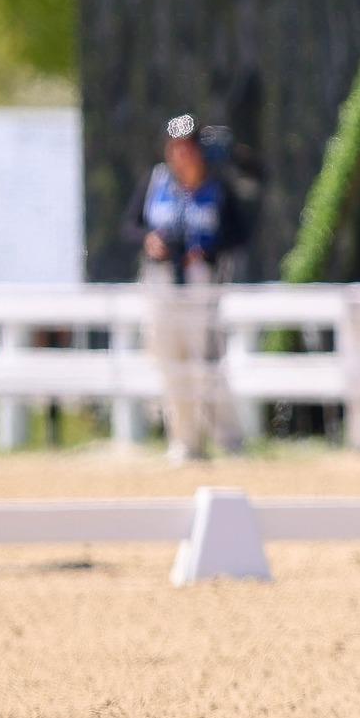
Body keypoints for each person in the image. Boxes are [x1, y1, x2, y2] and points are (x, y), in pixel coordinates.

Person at [124, 114, 238, 460]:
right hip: (161, 282)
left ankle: (228, 439)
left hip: (202, 282)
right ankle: (184, 441)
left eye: (188, 148)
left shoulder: (217, 188)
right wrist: (149, 240)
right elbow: (130, 226)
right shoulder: (156, 182)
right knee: (169, 362)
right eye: (176, 148)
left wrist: (206, 250)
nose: (182, 155)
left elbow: (238, 232)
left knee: (205, 362)